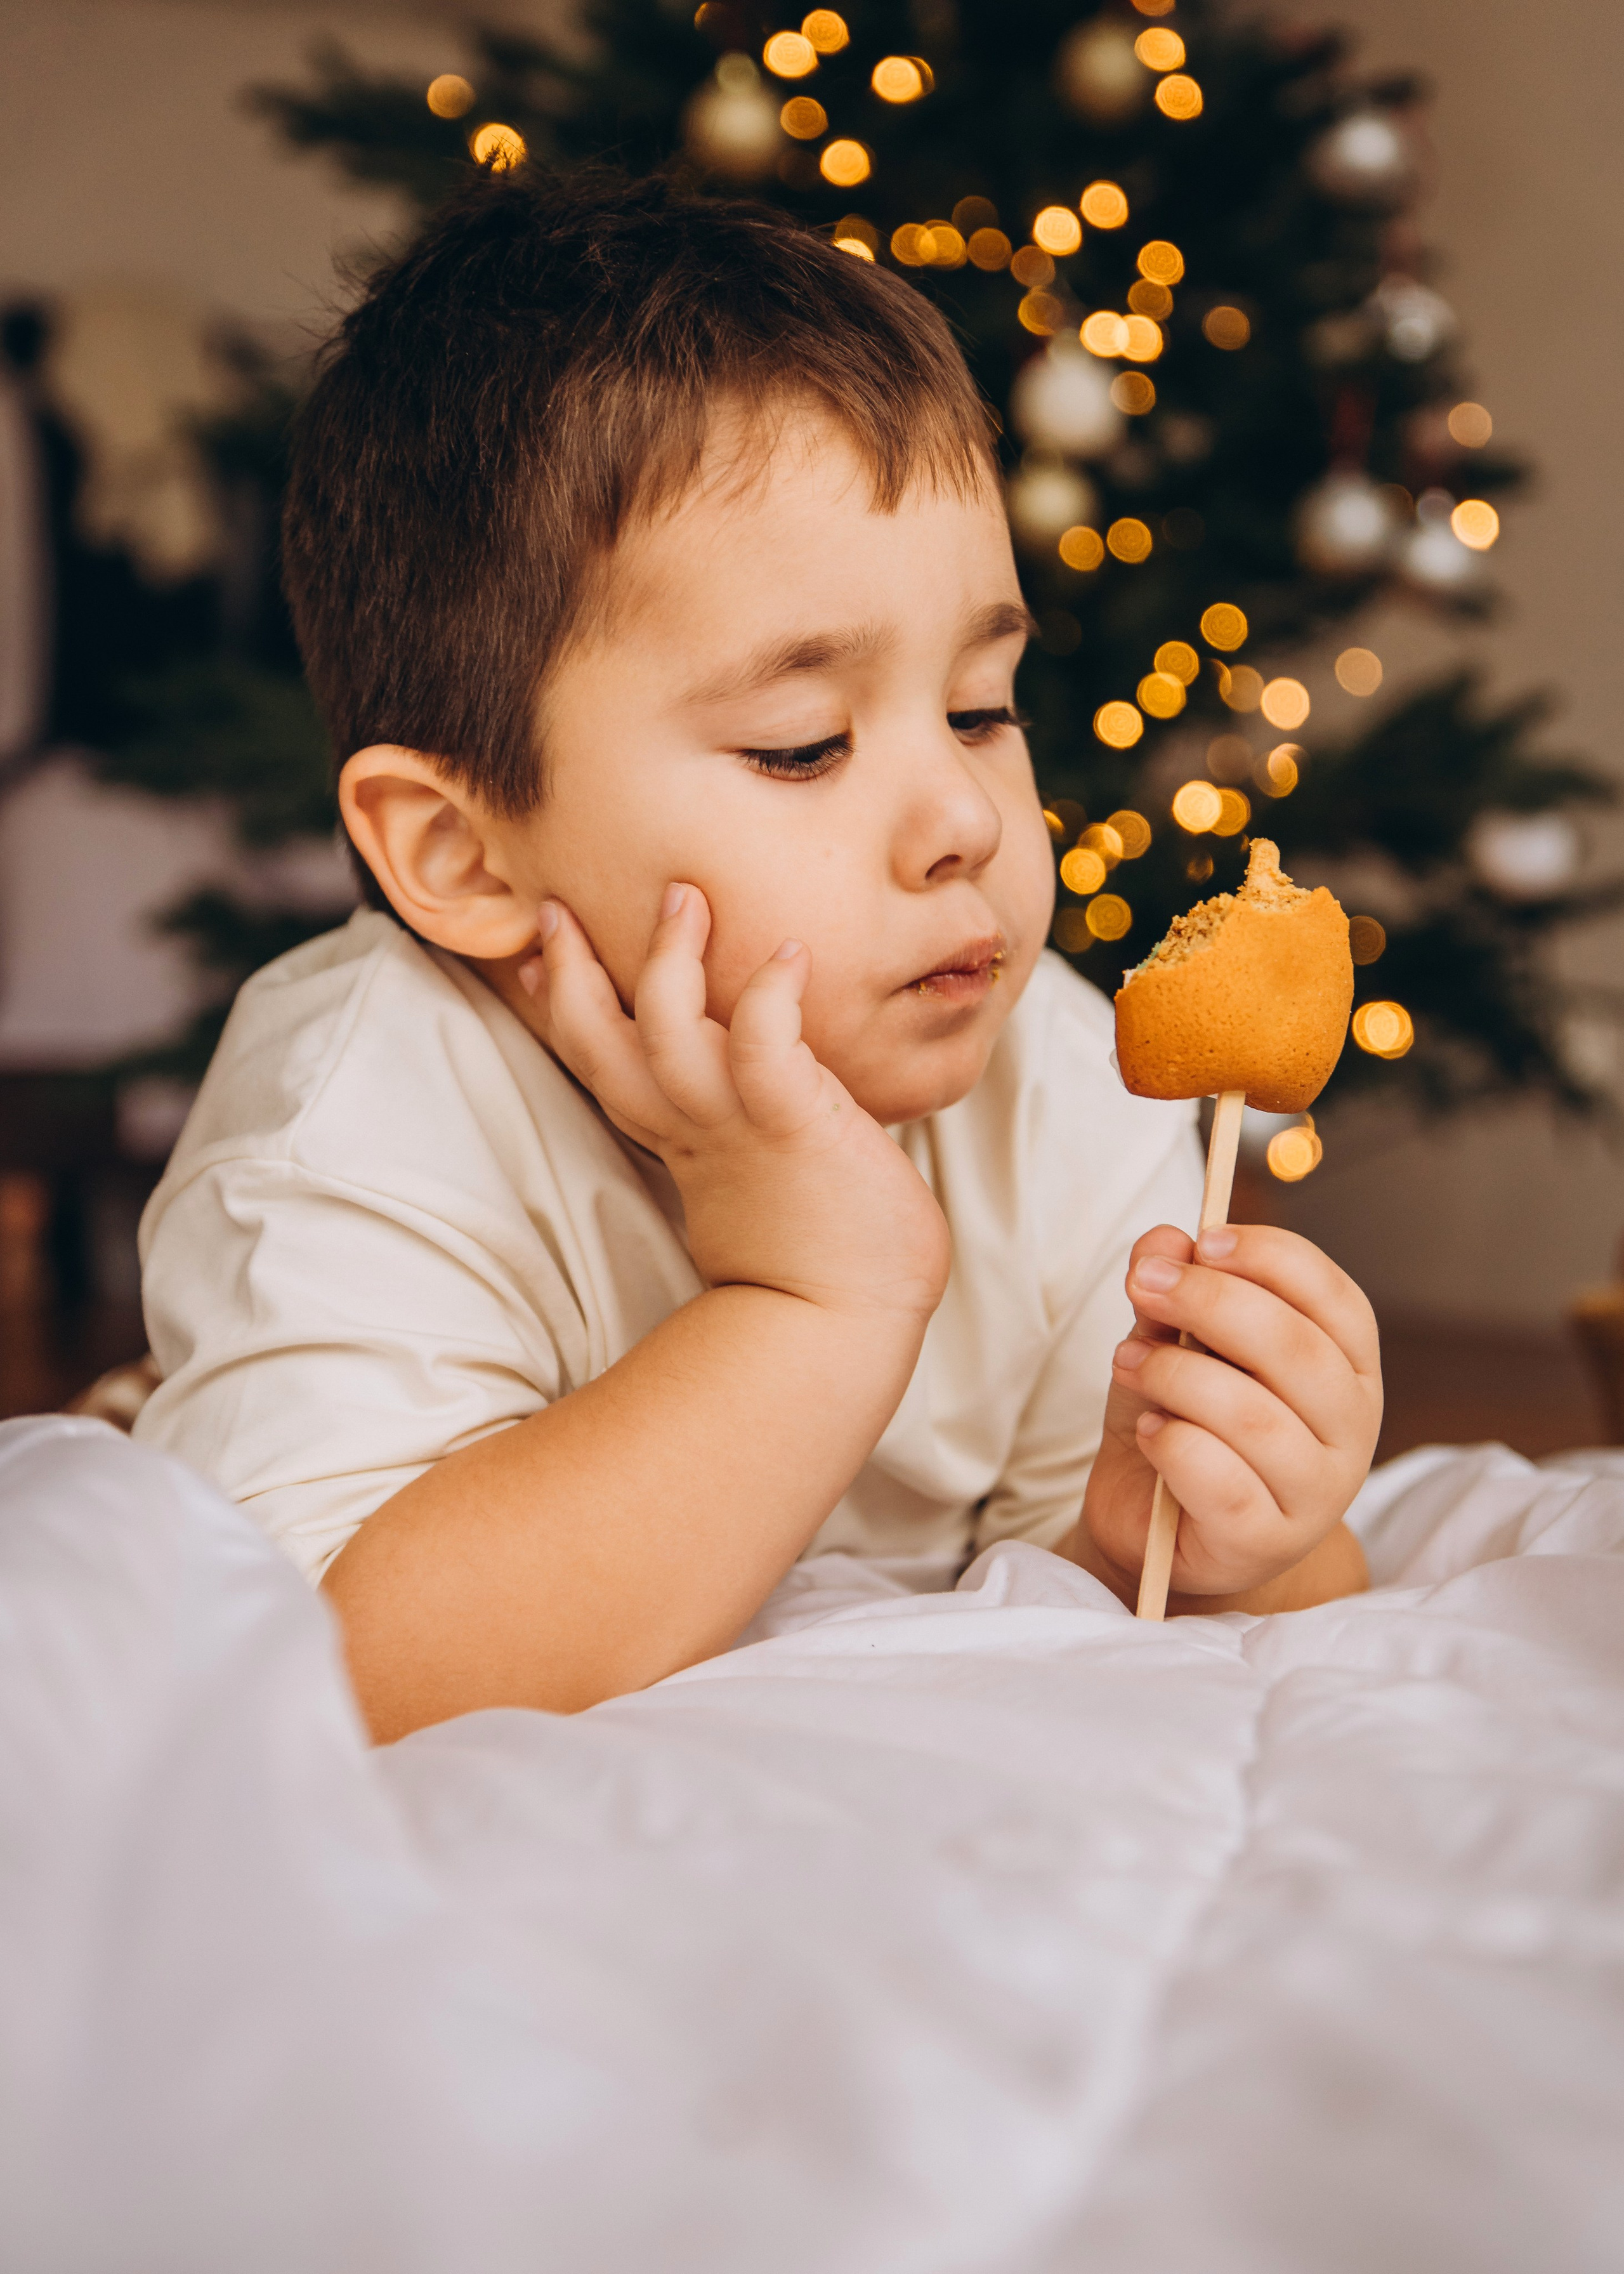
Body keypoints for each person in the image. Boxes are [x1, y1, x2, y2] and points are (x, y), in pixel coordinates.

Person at [133, 169, 1378, 1742]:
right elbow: (329, 1680)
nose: (964, 820)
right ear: (462, 853)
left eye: (983, 707)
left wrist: (1220, 1538)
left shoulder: (1049, 1082)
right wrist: (814, 1296)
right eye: (802, 744)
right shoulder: (363, 1106)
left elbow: (1135, 1650)